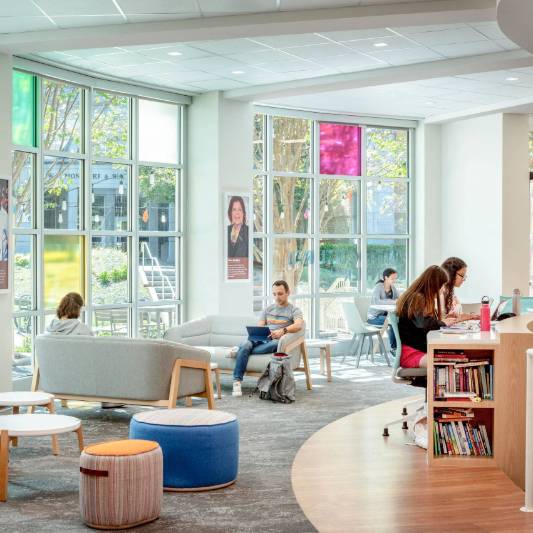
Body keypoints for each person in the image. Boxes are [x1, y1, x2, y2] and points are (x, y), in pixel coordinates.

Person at [232, 280, 303, 397]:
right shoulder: (267, 309)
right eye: (274, 294)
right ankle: (237, 381)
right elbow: (260, 326)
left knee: (273, 344)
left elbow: (298, 325)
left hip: (275, 341)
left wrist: (282, 331)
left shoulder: (294, 310)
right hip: (262, 338)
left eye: (280, 294)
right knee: (246, 344)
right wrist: (259, 332)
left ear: (288, 293)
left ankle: (240, 351)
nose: (277, 297)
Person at [397, 265, 457, 369]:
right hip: (411, 352)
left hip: (415, 348)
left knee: (455, 356)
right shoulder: (417, 298)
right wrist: (443, 323)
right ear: (434, 284)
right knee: (450, 362)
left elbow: (423, 323)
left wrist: (442, 320)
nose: (443, 290)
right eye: (442, 285)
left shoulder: (418, 297)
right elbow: (423, 324)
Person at [367, 267, 400, 352]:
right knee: (393, 321)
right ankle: (394, 348)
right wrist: (393, 302)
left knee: (400, 320)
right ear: (386, 277)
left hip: (385, 316)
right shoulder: (378, 287)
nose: (394, 280)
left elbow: (399, 299)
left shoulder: (393, 288)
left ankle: (400, 347)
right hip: (374, 317)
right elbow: (376, 302)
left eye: (395, 278)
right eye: (392, 278)